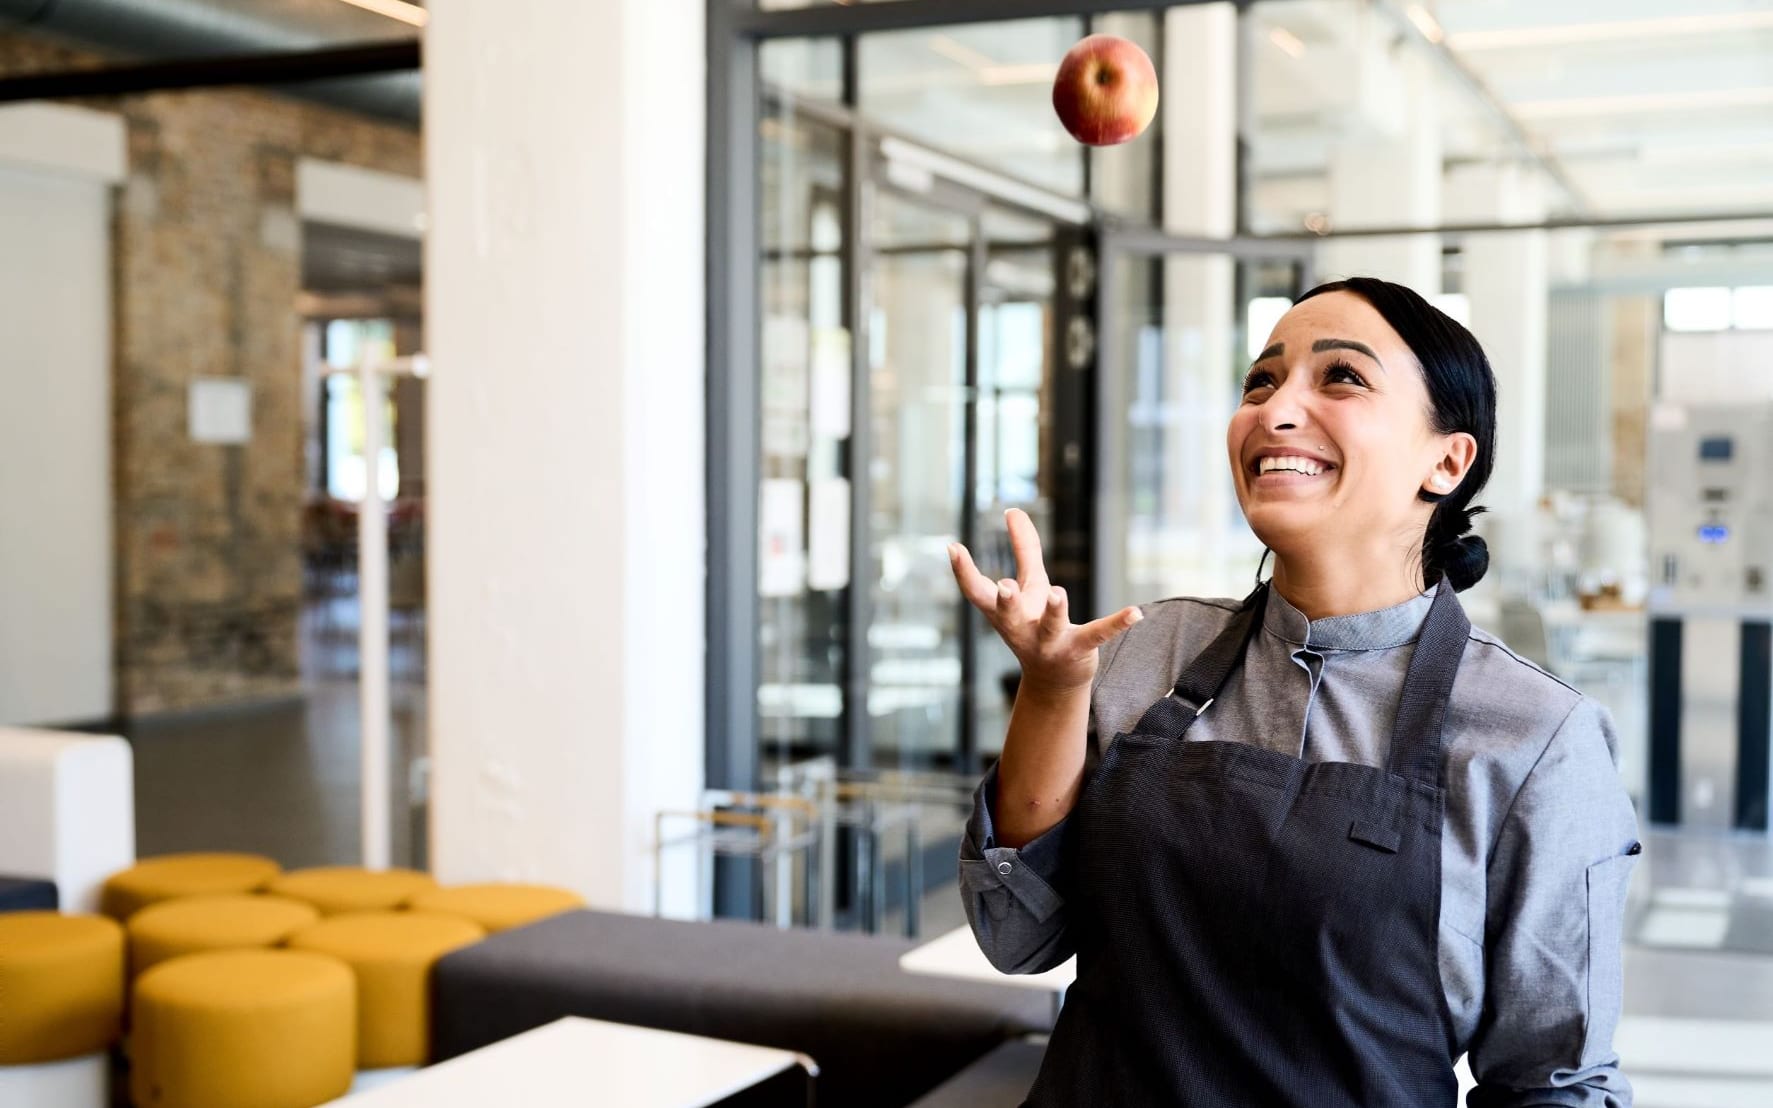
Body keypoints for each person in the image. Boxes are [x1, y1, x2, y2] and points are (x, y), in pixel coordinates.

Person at [948, 277, 1640, 1107]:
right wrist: (1054, 691)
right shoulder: (1146, 651)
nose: (1274, 411)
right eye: (1260, 381)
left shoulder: (1533, 737)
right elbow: (1014, 935)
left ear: (1445, 461)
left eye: (1340, 377)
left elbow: (1555, 1081)